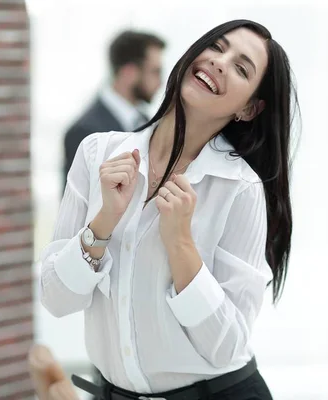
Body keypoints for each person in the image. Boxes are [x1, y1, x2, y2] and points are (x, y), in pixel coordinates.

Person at [39, 19, 297, 400]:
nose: (220, 62)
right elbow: (56, 299)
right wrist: (104, 220)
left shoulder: (240, 189)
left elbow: (227, 346)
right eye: (217, 46)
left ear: (248, 108)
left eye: (241, 68)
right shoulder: (97, 154)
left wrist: (181, 246)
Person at [63, 30, 167, 191]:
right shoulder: (84, 131)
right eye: (155, 72)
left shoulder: (148, 121)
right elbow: (77, 209)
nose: (161, 83)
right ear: (129, 72)